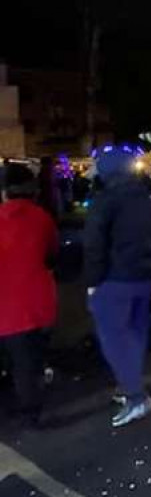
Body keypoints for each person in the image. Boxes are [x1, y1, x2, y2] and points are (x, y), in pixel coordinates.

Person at [84, 146, 151, 427]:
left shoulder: (104, 200)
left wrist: (93, 282)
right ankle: (130, 386)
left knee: (115, 339)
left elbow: (94, 245)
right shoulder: (146, 197)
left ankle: (135, 396)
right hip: (144, 276)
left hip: (115, 279)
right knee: (135, 334)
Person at [0, 164, 58, 426]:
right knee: (29, 360)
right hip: (36, 302)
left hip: (6, 304)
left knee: (15, 360)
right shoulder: (41, 217)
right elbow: (52, 253)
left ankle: (21, 409)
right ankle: (31, 409)